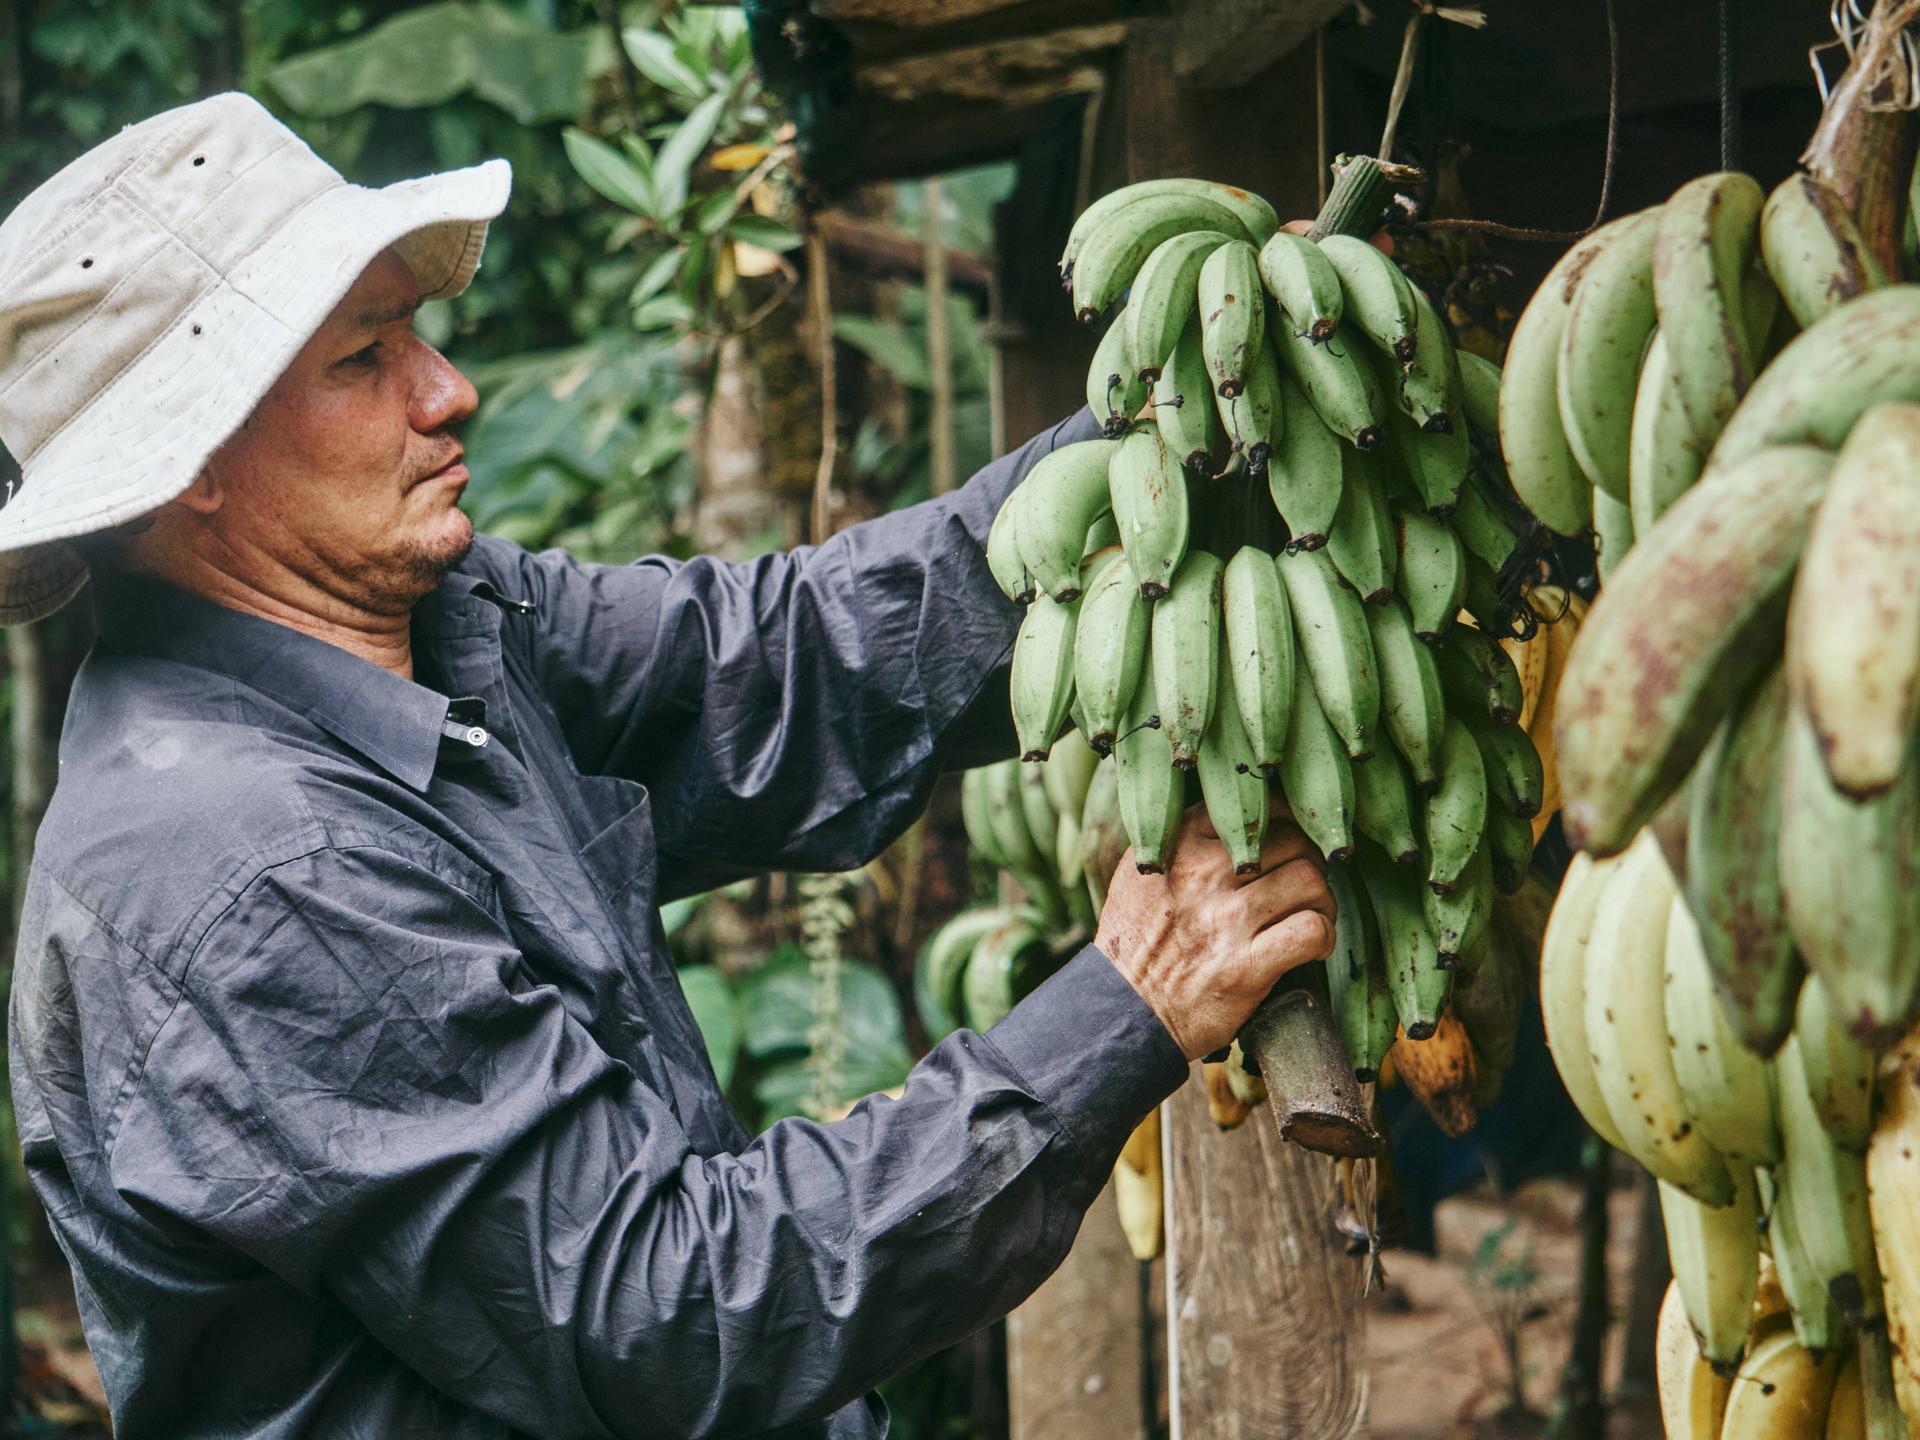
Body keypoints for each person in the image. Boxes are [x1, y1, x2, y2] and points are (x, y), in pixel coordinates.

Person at [0, 93, 1336, 1439]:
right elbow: (666, 1315)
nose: (445, 388)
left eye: (413, 333)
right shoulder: (247, 874)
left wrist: (1150, 451)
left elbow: (779, 665)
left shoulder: (441, 625)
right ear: (192, 475)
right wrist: (1127, 1004)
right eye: (364, 358)